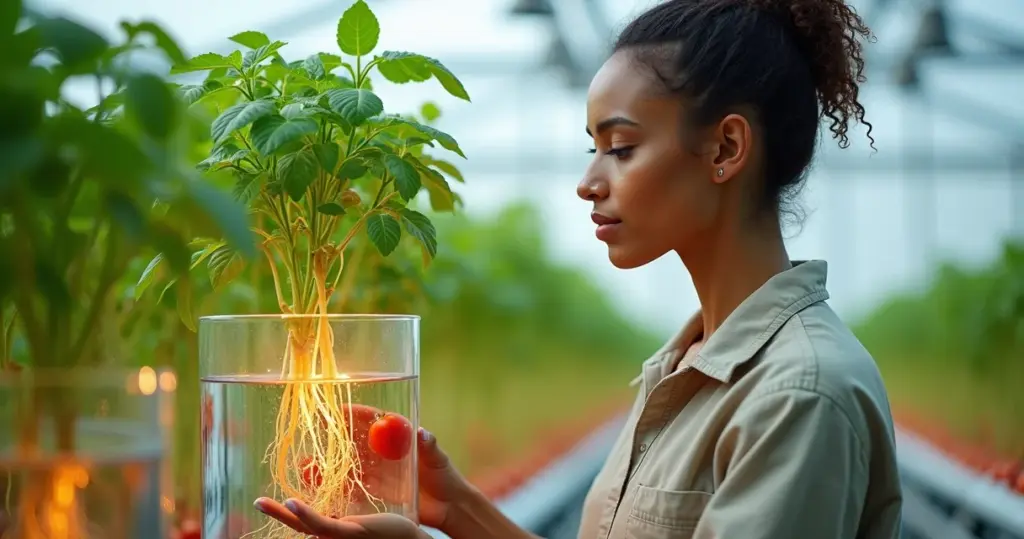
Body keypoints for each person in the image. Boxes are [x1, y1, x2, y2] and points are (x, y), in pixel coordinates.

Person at [253, 0, 904, 537]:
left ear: (726, 148)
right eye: (593, 148)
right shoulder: (685, 371)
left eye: (621, 148)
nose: (588, 182)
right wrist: (455, 509)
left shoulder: (798, 396)